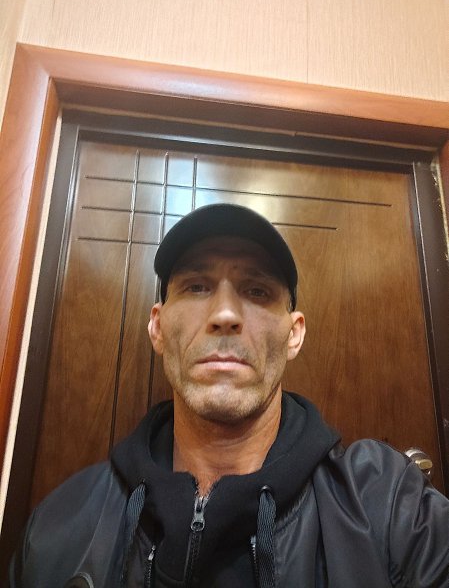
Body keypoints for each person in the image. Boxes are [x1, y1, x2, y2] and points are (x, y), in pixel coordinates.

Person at [9, 203, 449, 587]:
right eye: (196, 286)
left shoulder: (389, 505)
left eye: (257, 291)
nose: (224, 314)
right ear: (158, 326)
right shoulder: (59, 527)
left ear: (294, 334)